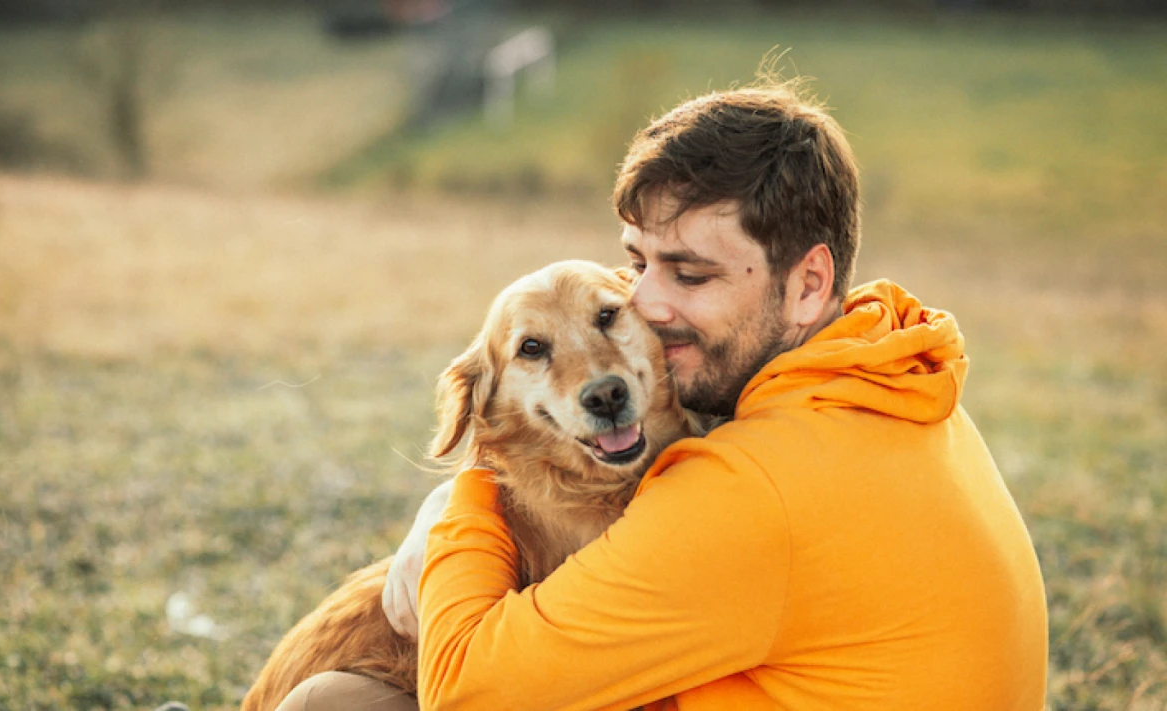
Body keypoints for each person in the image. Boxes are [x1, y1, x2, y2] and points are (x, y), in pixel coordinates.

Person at [282, 78, 1048, 710]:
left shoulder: (751, 491)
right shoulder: (890, 372)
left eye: (691, 274)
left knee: (329, 706)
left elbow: (467, 689)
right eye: (637, 262)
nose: (644, 303)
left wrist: (462, 504)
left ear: (810, 282)